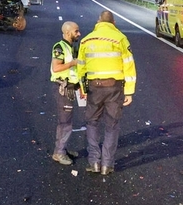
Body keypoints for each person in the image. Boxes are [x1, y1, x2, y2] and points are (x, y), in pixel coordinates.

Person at [76, 10, 136, 176]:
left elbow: (81, 67)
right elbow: (129, 66)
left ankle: (94, 162)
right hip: (114, 87)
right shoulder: (120, 39)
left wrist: (83, 88)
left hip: (94, 87)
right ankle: (107, 165)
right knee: (112, 125)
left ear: (98, 22)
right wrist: (129, 91)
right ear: (113, 23)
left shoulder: (86, 39)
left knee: (92, 122)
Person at [49, 21, 81, 166]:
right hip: (62, 87)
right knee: (65, 123)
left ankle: (62, 149)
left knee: (66, 121)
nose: (79, 34)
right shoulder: (60, 47)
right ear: (68, 33)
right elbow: (56, 68)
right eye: (76, 31)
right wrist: (73, 63)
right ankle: (59, 153)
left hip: (69, 88)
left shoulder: (70, 47)